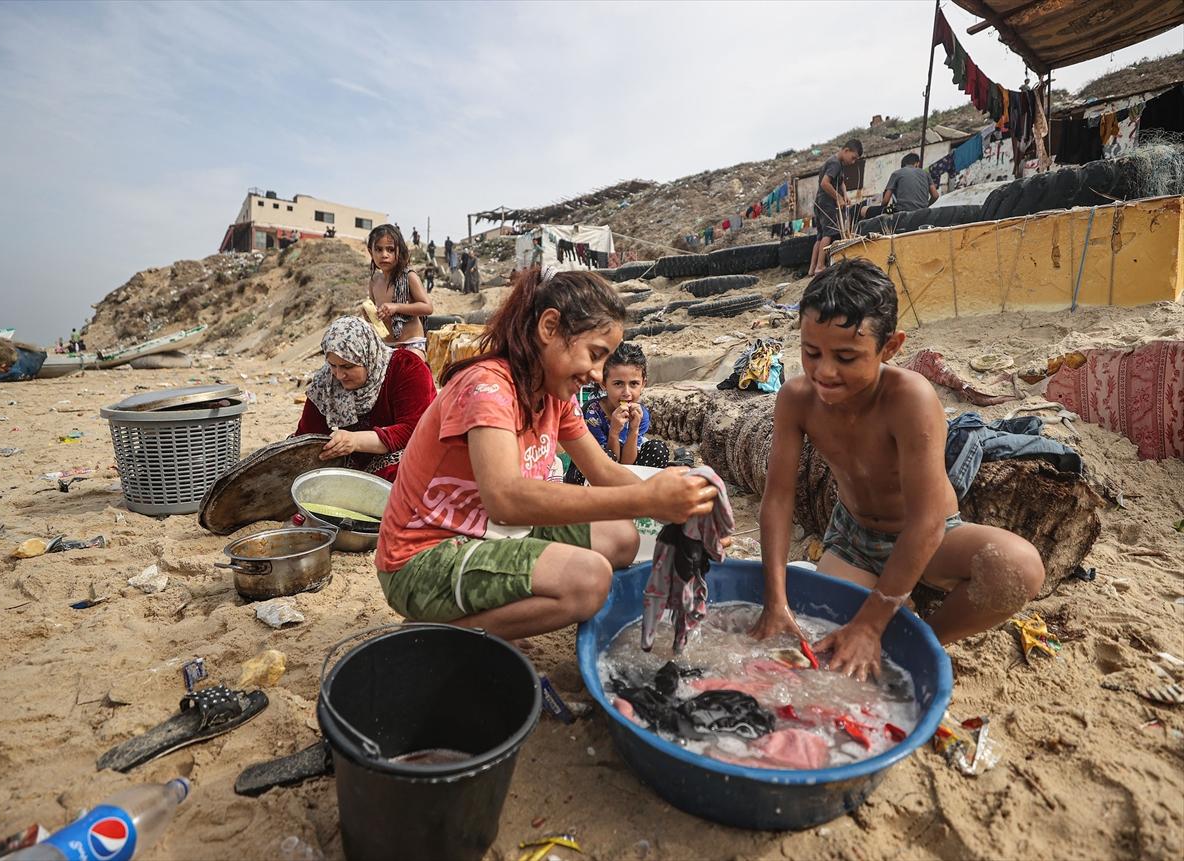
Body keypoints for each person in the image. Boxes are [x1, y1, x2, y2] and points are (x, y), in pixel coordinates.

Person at [374, 264, 720, 641]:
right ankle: (436, 634)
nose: (597, 374)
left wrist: (686, 501)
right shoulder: (489, 388)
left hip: (492, 531)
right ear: (549, 327)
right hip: (423, 558)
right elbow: (505, 499)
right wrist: (644, 498)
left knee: (622, 538)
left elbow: (604, 471)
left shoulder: (555, 395)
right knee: (588, 581)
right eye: (595, 354)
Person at [752, 259, 1044, 679]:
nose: (824, 372)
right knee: (824, 642)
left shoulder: (909, 398)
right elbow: (778, 498)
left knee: (1017, 568)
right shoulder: (797, 398)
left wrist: (872, 626)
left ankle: (922, 639)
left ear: (890, 348)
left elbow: (927, 522)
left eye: (847, 357)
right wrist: (774, 600)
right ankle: (889, 612)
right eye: (811, 353)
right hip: (855, 539)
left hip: (929, 537)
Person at [295, 317, 435, 483]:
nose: (339, 375)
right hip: (357, 463)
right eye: (333, 365)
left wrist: (355, 441)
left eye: (348, 366)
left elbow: (414, 430)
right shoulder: (326, 382)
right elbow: (307, 433)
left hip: (409, 456)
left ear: (368, 357)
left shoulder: (406, 367)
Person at [565, 341, 669, 484]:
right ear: (603, 383)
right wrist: (614, 431)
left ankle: (637, 494)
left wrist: (634, 429)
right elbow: (606, 464)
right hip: (589, 477)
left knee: (657, 449)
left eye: (633, 384)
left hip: (624, 474)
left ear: (643, 384)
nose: (626, 393)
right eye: (618, 384)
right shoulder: (592, 414)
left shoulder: (640, 414)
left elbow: (628, 463)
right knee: (605, 455)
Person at [363, 224, 434, 357]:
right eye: (378, 249)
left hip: (412, 344)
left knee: (409, 368)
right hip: (386, 345)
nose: (384, 255)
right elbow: (376, 312)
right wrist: (369, 315)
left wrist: (396, 307)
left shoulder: (409, 277)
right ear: (370, 251)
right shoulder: (374, 281)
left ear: (399, 251)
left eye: (390, 249)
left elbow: (427, 307)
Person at [808, 139, 862, 277]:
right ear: (846, 151)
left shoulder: (838, 164)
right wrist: (838, 198)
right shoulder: (835, 163)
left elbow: (841, 182)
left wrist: (845, 194)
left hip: (819, 202)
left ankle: (812, 268)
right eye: (853, 157)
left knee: (820, 237)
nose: (853, 161)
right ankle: (820, 267)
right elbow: (825, 183)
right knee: (829, 233)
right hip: (826, 203)